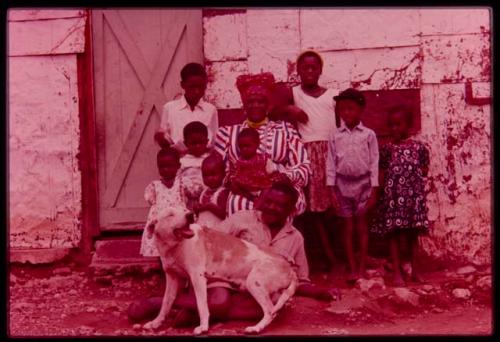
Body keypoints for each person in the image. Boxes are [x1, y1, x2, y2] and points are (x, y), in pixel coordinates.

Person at [128, 181, 341, 325]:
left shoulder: (295, 238)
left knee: (273, 306)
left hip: (256, 284)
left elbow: (300, 279)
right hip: (223, 277)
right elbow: (207, 242)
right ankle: (159, 302)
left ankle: (197, 313)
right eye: (269, 202)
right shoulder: (242, 218)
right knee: (220, 300)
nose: (272, 208)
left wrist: (321, 292)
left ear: (291, 210)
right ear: (261, 201)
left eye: (280, 205)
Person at [213, 72, 310, 217]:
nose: (255, 106)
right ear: (244, 105)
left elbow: (303, 166)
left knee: (278, 202)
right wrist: (233, 181)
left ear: (268, 105)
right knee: (237, 204)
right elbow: (220, 170)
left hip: (278, 185)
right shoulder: (228, 133)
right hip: (242, 189)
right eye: (250, 102)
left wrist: (285, 176)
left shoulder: (285, 129)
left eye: (261, 101)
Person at [370, 106, 430, 286]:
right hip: (393, 200)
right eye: (391, 125)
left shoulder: (419, 148)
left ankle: (415, 271)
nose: (394, 129)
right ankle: (396, 271)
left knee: (413, 236)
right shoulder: (387, 149)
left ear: (408, 126)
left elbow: (425, 170)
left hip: (413, 200)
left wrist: (411, 181)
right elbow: (381, 173)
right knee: (394, 235)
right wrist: (380, 194)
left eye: (398, 125)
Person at [291, 50, 340, 271]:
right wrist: (290, 110)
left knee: (334, 208)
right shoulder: (293, 94)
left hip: (331, 153)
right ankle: (322, 260)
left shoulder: (332, 95)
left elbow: (339, 126)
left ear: (320, 70)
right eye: (305, 68)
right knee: (312, 210)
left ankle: (337, 257)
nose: (309, 71)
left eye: (313, 67)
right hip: (308, 155)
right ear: (298, 71)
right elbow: (274, 109)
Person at [326, 88, 379, 283]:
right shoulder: (335, 135)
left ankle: (362, 265)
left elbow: (374, 162)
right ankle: (352, 266)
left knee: (361, 226)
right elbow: (330, 163)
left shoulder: (369, 135)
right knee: (347, 227)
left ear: (361, 109)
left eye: (350, 109)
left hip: (363, 185)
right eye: (342, 110)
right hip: (342, 185)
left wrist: (374, 190)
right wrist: (331, 189)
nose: (346, 113)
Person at [154, 62, 218, 153]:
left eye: (201, 87)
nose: (197, 91)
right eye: (192, 87)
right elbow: (165, 142)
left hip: (203, 163)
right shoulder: (170, 108)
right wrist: (161, 138)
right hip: (178, 162)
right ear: (183, 85)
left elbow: (214, 142)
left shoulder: (211, 110)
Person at [140, 147, 186, 258]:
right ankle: (161, 268)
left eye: (169, 166)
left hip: (176, 221)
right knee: (160, 247)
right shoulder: (154, 186)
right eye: (162, 167)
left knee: (179, 249)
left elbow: (194, 191)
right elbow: (149, 199)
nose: (165, 170)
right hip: (160, 221)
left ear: (178, 166)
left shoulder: (181, 183)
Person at [228, 127, 277, 201]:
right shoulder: (239, 161)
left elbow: (272, 171)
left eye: (247, 146)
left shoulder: (263, 159)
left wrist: (273, 178)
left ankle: (258, 203)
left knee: (268, 190)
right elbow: (236, 173)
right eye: (241, 147)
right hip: (245, 188)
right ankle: (249, 197)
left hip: (261, 187)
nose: (244, 149)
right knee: (233, 187)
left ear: (257, 144)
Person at [179, 121, 211, 211]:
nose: (197, 146)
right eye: (193, 143)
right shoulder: (182, 162)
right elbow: (178, 181)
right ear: (185, 143)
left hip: (205, 195)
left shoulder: (209, 159)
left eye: (201, 143)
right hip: (187, 198)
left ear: (207, 141)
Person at [193, 154, 230, 227]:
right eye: (205, 175)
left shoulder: (222, 192)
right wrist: (197, 209)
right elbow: (199, 214)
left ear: (223, 174)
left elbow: (224, 214)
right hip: (202, 227)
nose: (209, 178)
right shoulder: (203, 192)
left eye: (213, 174)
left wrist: (209, 207)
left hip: (217, 229)